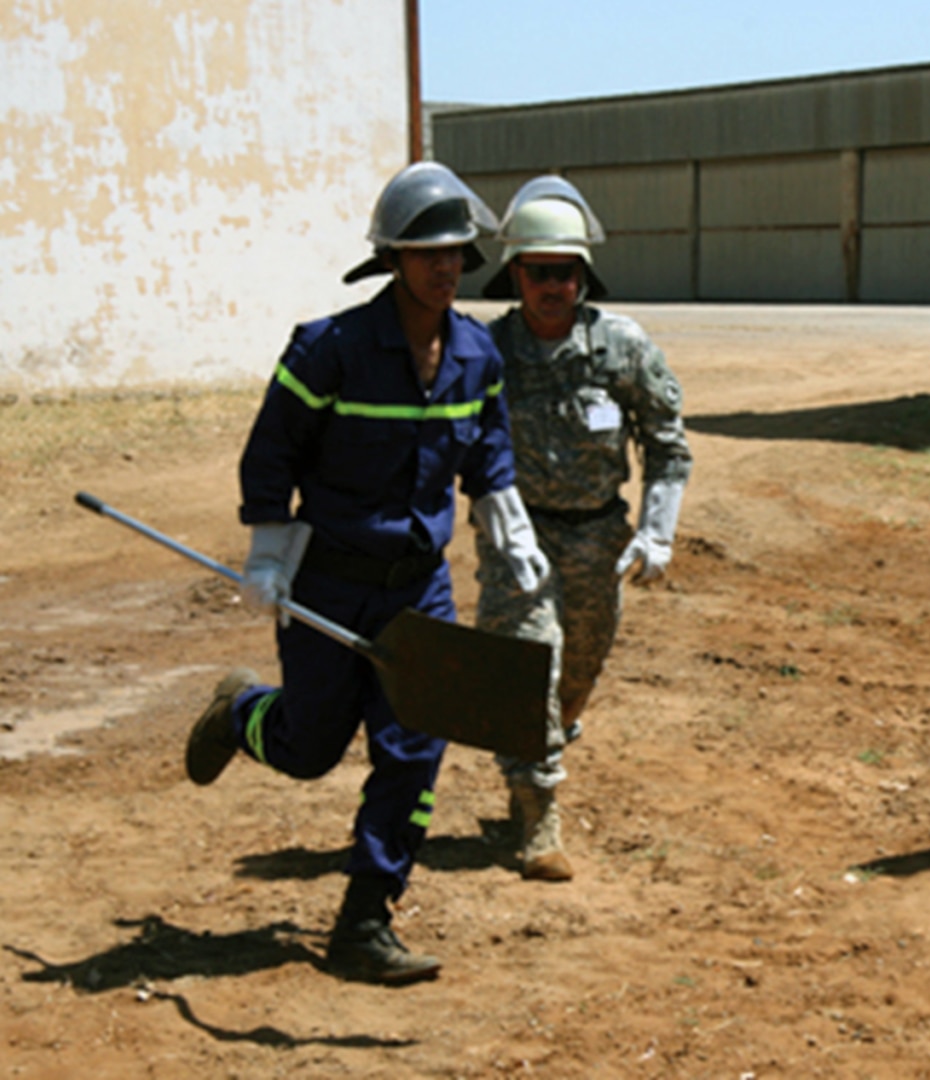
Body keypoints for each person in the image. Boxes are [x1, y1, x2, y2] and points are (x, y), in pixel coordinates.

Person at [184, 161, 551, 983]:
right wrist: (269, 558)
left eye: (457, 251)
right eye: (428, 252)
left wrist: (510, 532)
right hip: (328, 582)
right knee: (311, 747)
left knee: (414, 749)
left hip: (417, 589)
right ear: (392, 257)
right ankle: (240, 711)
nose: (446, 266)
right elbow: (271, 453)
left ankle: (364, 920)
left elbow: (487, 452)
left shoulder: (475, 353)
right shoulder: (331, 350)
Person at [475, 176, 692, 881]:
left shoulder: (622, 347)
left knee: (579, 668)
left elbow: (667, 444)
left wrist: (657, 532)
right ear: (515, 274)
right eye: (539, 273)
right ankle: (539, 816)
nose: (553, 287)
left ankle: (537, 751)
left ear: (583, 275)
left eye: (565, 273)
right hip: (518, 534)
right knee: (528, 661)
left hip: (599, 535)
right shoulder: (486, 351)